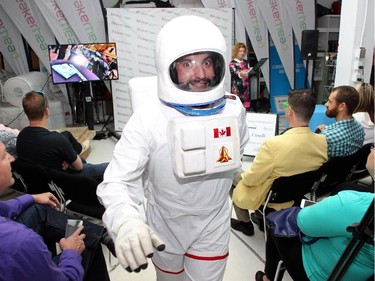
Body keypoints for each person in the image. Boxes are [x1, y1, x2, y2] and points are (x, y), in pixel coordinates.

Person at [97, 15, 249, 281]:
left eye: (207, 62)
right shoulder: (148, 118)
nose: (201, 74)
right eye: (188, 64)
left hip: (213, 222)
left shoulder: (234, 109)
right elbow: (117, 181)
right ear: (168, 66)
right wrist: (126, 221)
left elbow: (237, 156)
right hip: (165, 222)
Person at [255, 148, 375, 281]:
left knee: (278, 221)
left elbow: (304, 224)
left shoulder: (353, 203)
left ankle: (268, 278)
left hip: (320, 273)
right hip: (362, 272)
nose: (372, 147)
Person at [0, 141, 112, 281]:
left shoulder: (24, 137)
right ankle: (99, 238)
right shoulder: (22, 242)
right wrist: (71, 253)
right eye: (4, 156)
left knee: (38, 209)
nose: (11, 158)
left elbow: (2, 209)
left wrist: (32, 197)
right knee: (88, 245)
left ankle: (102, 235)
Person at [232, 89, 328, 232]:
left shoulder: (273, 144)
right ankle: (260, 217)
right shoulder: (322, 141)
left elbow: (252, 179)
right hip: (296, 191)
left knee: (232, 178)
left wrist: (241, 175)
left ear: (289, 111)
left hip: (273, 197)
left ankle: (245, 223)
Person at [16, 90, 108, 183]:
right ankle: (76, 153)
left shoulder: (21, 136)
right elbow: (79, 167)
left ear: (26, 112)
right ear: (47, 111)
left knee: (69, 142)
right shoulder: (57, 139)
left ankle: (73, 154)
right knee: (110, 168)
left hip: (38, 181)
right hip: (63, 180)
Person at [316, 85, 365, 158]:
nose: (326, 104)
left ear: (342, 106)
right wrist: (326, 129)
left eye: (330, 101)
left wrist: (317, 132)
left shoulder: (326, 138)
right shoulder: (360, 129)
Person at [229, 43, 251, 110]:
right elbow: (234, 74)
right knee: (237, 108)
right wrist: (241, 74)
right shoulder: (232, 63)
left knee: (246, 107)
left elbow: (249, 73)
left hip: (246, 89)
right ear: (236, 51)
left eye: (243, 51)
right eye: (240, 51)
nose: (242, 53)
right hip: (237, 89)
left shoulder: (246, 62)